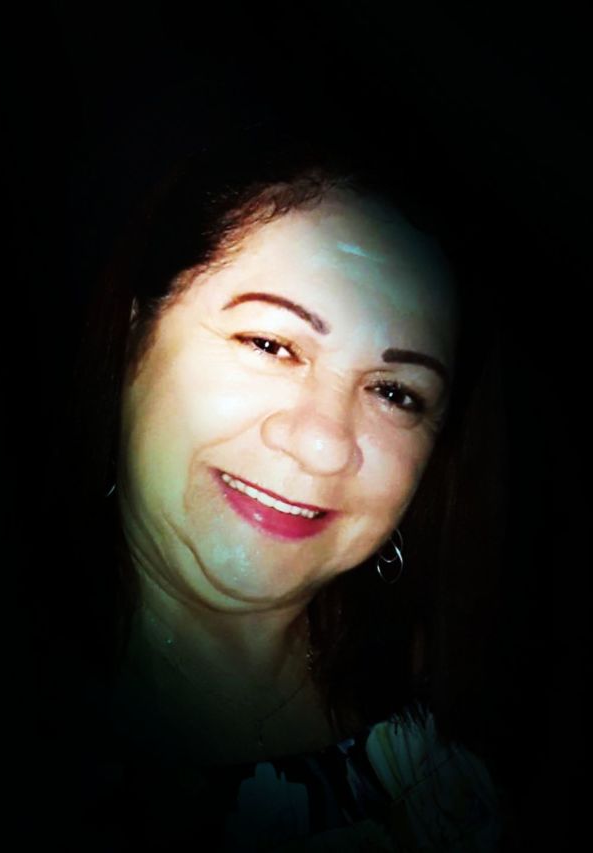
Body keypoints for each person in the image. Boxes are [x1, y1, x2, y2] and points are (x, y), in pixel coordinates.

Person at [40, 123, 505, 850]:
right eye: (270, 343)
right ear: (134, 338)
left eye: (394, 392)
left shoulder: (444, 669)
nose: (322, 444)